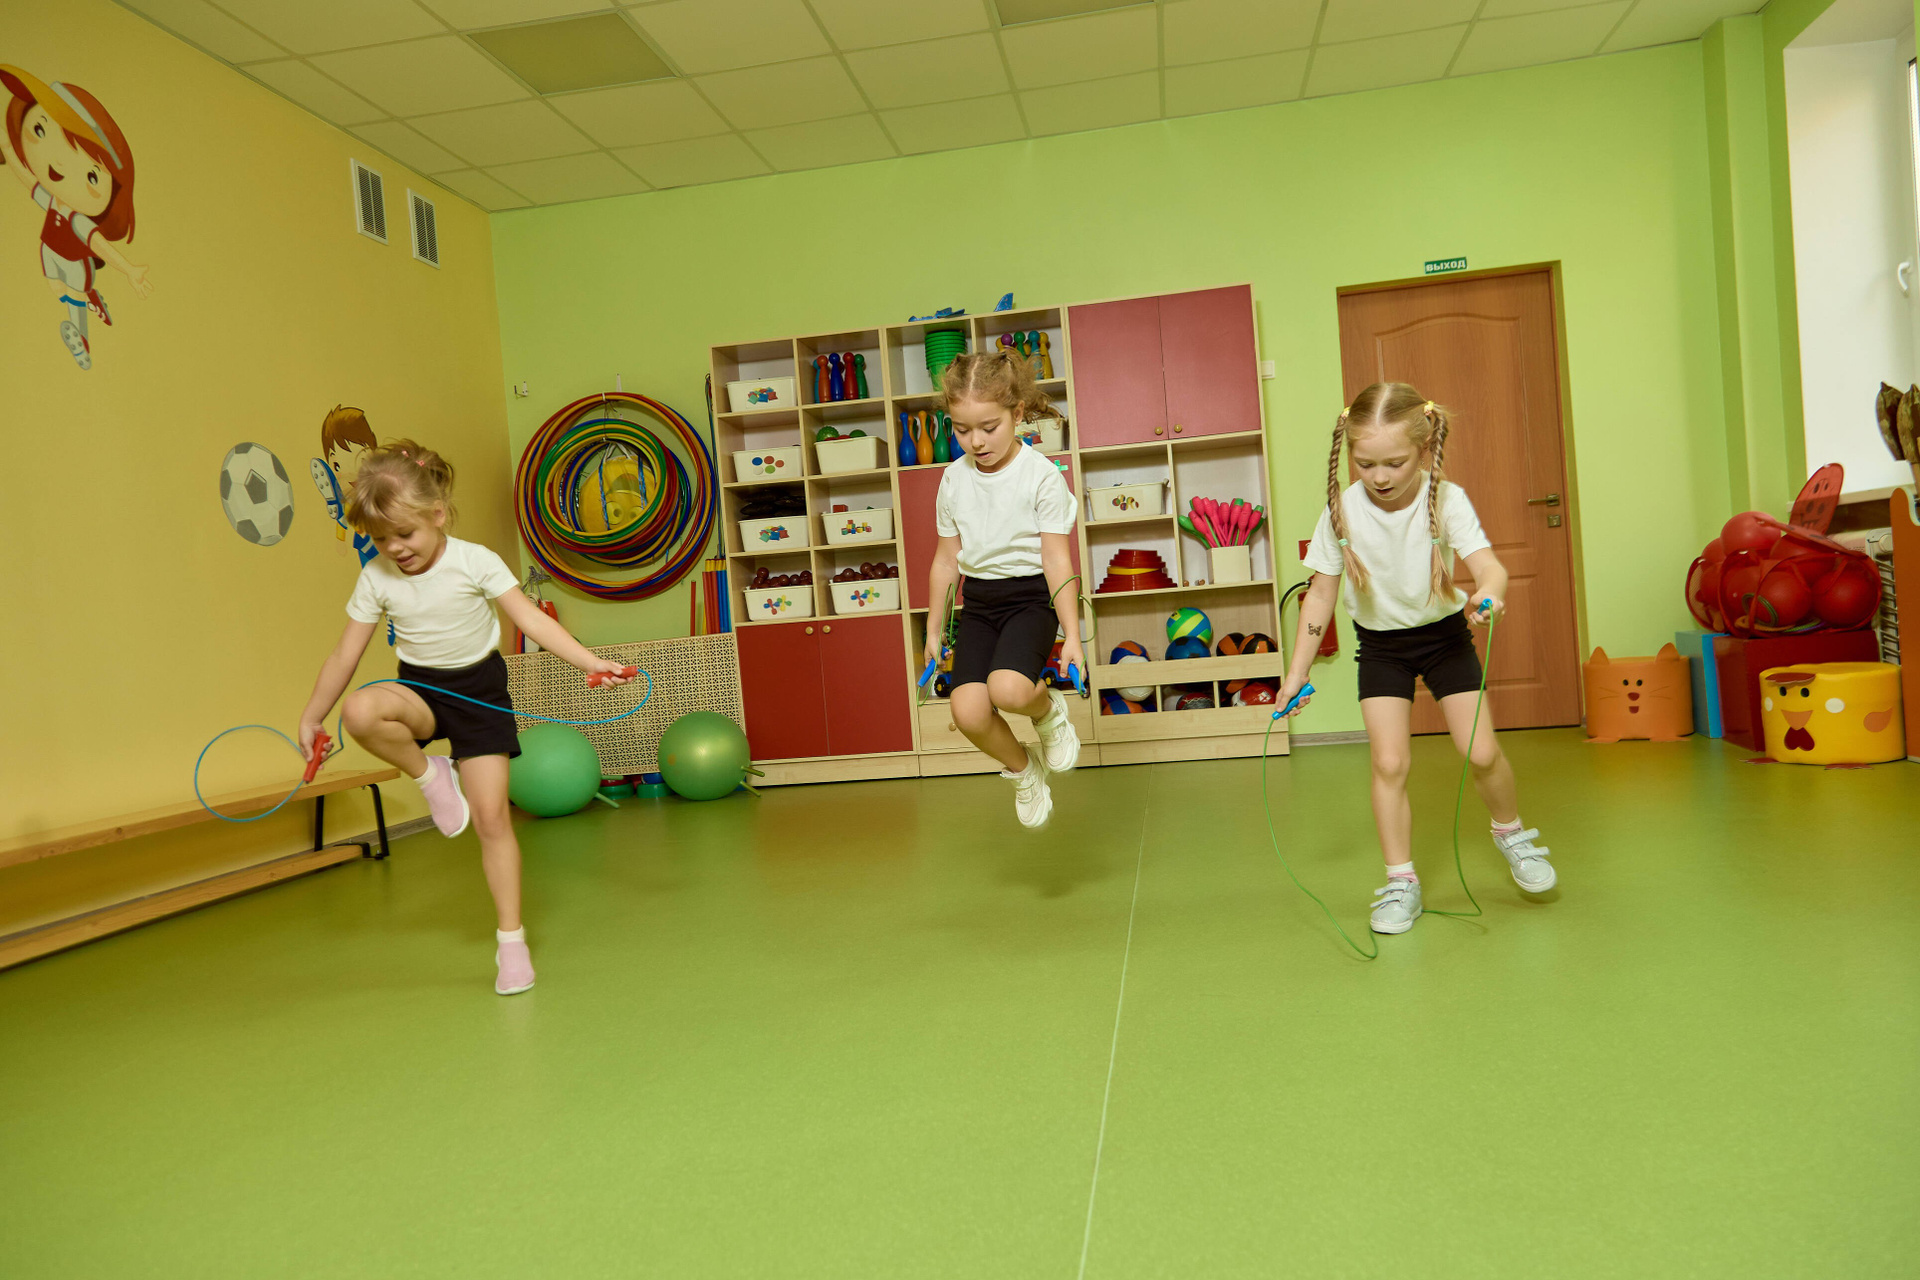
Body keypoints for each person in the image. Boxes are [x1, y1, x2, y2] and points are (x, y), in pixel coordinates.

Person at [297, 440, 631, 993]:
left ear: (437, 514)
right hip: (421, 693)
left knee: (492, 821)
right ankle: (431, 774)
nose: (394, 548)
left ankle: (511, 943)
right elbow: (344, 655)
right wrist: (313, 715)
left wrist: (591, 662)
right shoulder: (376, 576)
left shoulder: (475, 560)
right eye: (380, 538)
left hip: (479, 694)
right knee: (359, 710)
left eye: (404, 534)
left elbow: (532, 620)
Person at [1280, 382, 1555, 935]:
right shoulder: (1341, 511)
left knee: (1480, 752)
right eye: (1365, 464)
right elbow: (1321, 594)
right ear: (1349, 455)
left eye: (1395, 463)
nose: (1379, 477)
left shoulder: (1446, 499)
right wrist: (1296, 673)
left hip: (1445, 638)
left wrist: (1489, 594)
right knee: (1388, 764)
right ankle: (1401, 880)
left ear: (1424, 449)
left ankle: (1511, 834)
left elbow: (1489, 567)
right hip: (1382, 648)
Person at [925, 349, 1082, 828]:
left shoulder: (1041, 476)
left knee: (1009, 689)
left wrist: (1072, 635)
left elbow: (1056, 559)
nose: (975, 441)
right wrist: (933, 630)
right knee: (968, 711)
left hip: (1031, 598)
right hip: (980, 603)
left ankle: (1048, 713)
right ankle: (1023, 770)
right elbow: (946, 560)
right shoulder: (953, 480)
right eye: (961, 429)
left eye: (989, 427)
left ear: (1017, 413)